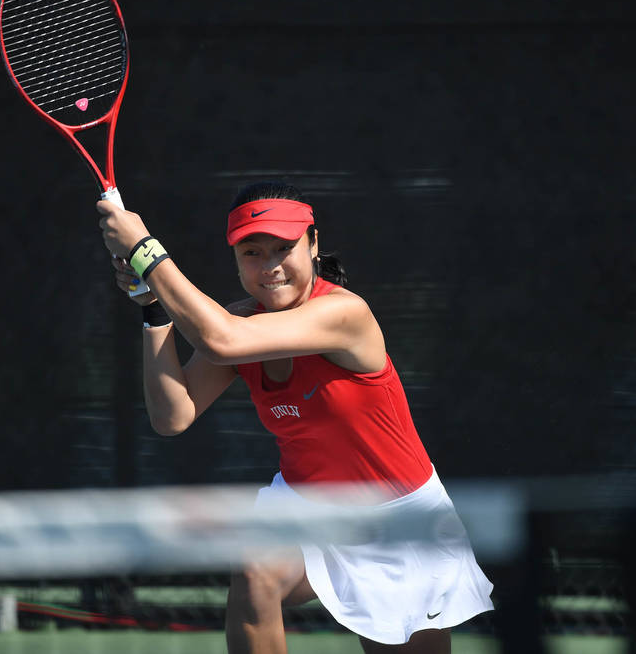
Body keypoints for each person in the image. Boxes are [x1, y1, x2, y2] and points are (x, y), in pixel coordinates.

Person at [96, 181, 494, 653]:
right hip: (304, 507)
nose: (270, 267)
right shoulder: (242, 323)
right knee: (255, 569)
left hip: (397, 521)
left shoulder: (346, 315)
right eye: (252, 252)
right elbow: (172, 415)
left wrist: (145, 251)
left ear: (314, 245)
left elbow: (220, 340)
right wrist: (154, 309)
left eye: (284, 248)